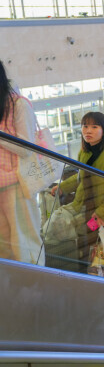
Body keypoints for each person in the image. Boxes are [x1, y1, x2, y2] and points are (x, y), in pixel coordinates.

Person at [53, 112, 104, 280]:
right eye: (85, 126)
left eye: (94, 126)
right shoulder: (84, 154)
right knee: (96, 258)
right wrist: (61, 188)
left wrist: (102, 214)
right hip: (92, 217)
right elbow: (81, 178)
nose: (88, 131)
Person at [0, 66, 44, 266]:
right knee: (6, 247)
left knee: (25, 245)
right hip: (3, 185)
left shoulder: (19, 104)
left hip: (18, 184)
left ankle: (35, 290)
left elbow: (26, 148)